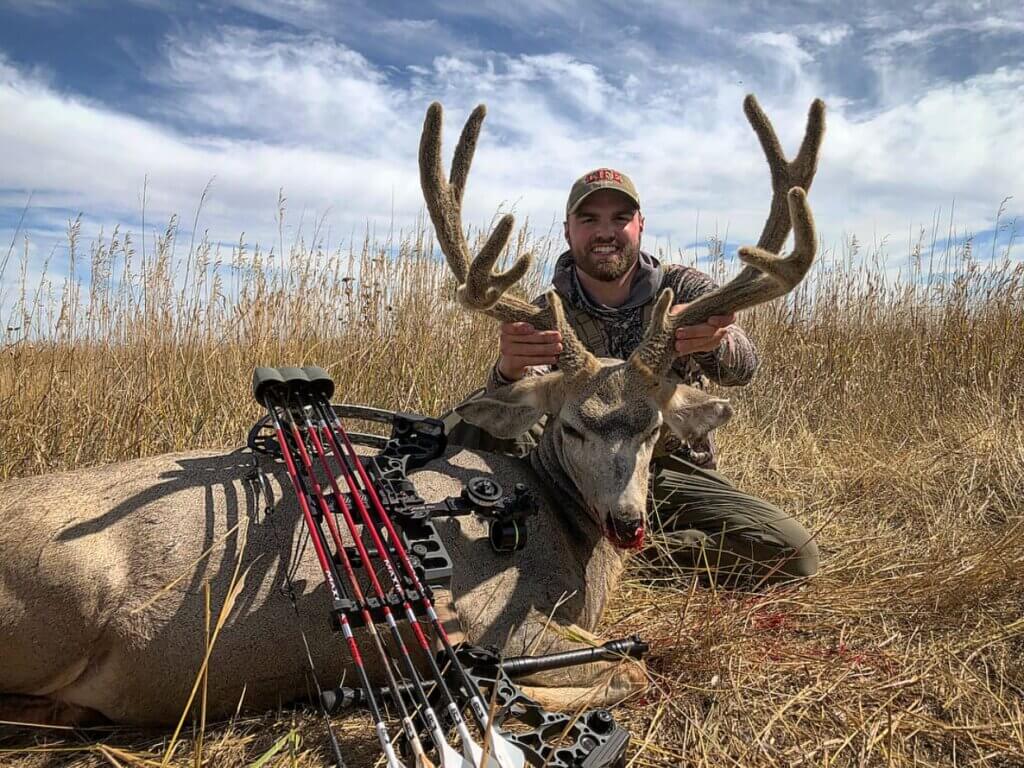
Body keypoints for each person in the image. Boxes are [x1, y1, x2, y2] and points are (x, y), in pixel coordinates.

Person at [442, 168, 818, 585]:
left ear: (640, 225)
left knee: (793, 553)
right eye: (589, 220)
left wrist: (714, 343)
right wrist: (507, 370)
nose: (606, 231)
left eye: (620, 217)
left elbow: (744, 369)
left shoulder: (685, 288)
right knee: (457, 427)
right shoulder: (547, 312)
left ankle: (625, 559)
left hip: (666, 464)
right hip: (576, 466)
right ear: (568, 232)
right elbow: (510, 418)